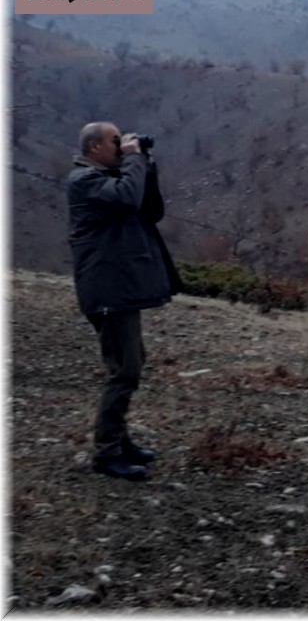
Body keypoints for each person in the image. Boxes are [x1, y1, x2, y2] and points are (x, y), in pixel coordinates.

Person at [67, 121, 182, 482]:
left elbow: (149, 210)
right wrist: (133, 162)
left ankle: (120, 441)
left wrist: (143, 163)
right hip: (107, 291)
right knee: (124, 370)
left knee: (130, 363)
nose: (122, 146)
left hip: (118, 288)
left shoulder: (111, 178)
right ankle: (106, 453)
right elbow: (127, 198)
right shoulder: (84, 182)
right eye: (116, 141)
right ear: (95, 148)